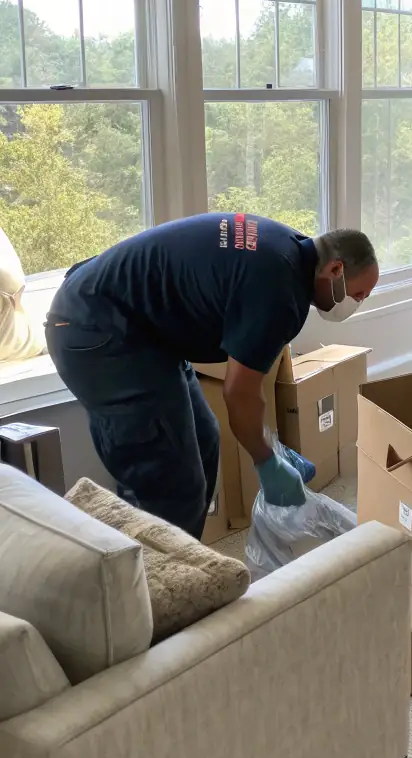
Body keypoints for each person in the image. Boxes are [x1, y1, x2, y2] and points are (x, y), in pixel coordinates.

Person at [45, 215, 379, 540]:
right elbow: (239, 392)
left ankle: (183, 562)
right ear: (335, 269)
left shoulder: (289, 247)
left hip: (138, 329)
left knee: (205, 440)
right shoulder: (280, 291)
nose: (356, 304)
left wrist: (269, 447)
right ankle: (159, 586)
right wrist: (266, 462)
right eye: (359, 294)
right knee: (170, 485)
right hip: (98, 332)